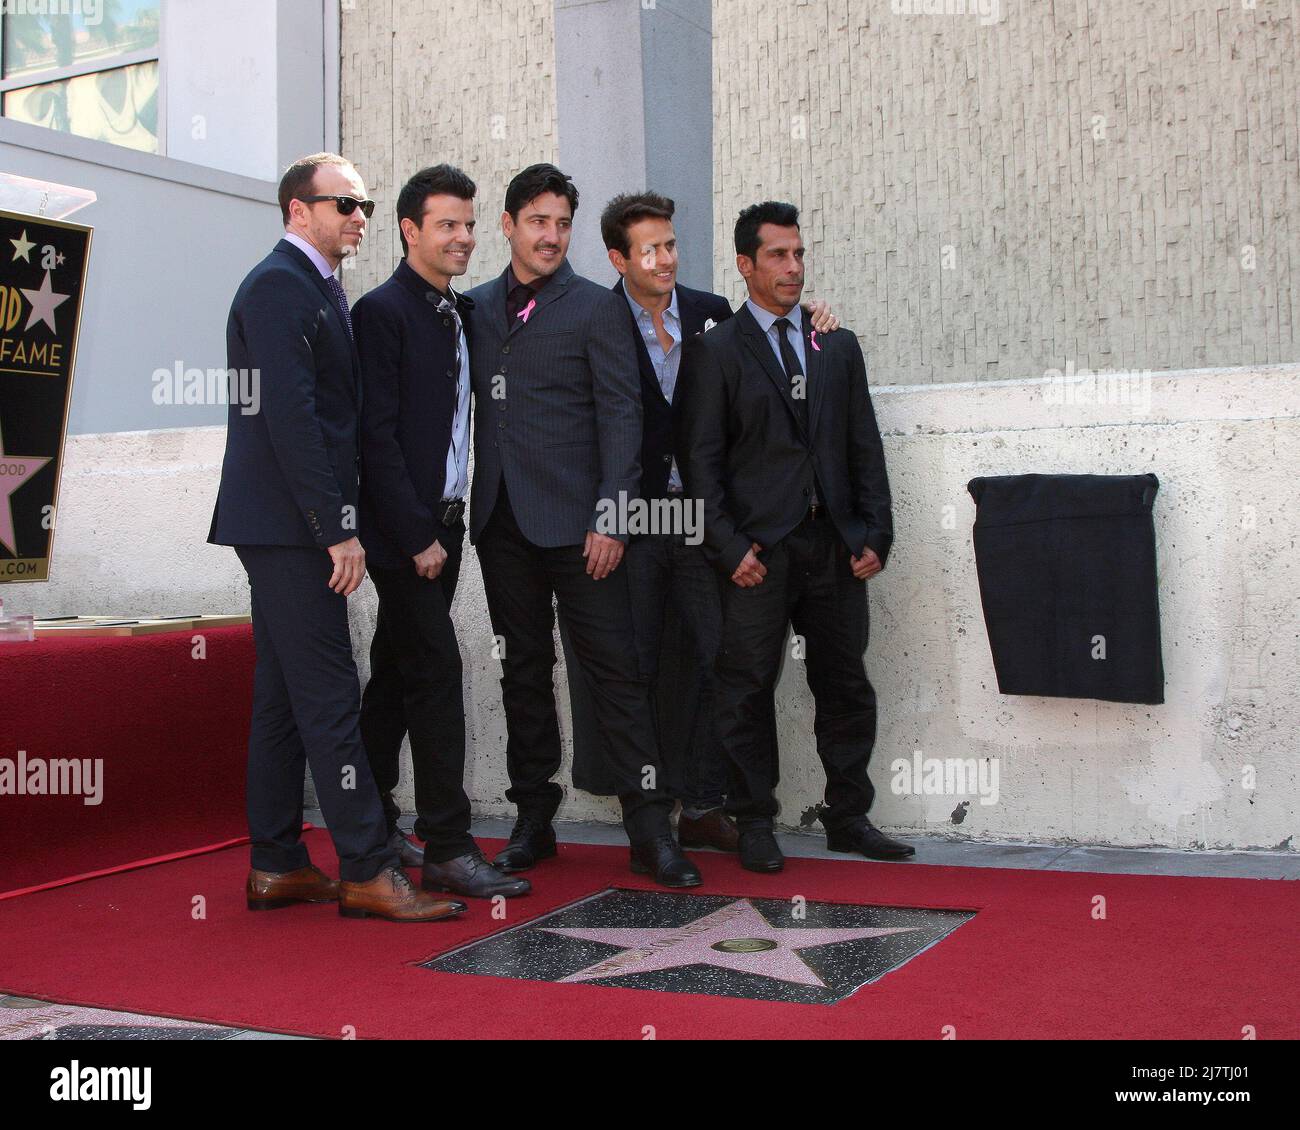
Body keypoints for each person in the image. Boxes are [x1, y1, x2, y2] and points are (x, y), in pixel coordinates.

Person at [208, 152, 466, 922]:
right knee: (330, 696)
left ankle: (278, 864)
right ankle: (367, 866)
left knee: (284, 699)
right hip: (292, 530)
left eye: (364, 204)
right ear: (297, 211)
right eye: (344, 203)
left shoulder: (314, 287)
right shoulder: (280, 288)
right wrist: (338, 530)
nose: (359, 216)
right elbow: (292, 423)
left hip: (288, 526)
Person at [583, 191, 840, 853]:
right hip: (632, 517)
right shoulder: (596, 320)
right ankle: (648, 814)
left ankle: (701, 804)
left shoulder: (709, 312)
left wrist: (814, 321)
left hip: (698, 518)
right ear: (617, 257)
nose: (666, 259)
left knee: (712, 661)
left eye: (671, 244)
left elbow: (749, 380)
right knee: (634, 666)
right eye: (650, 248)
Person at [465, 164, 699, 888]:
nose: (552, 235)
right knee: (524, 675)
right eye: (538, 221)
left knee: (617, 675)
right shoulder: (472, 310)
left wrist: (613, 518)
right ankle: (534, 820)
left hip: (586, 533)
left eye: (562, 223)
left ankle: (650, 827)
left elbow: (624, 418)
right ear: (508, 226)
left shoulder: (597, 307)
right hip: (503, 525)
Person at [676, 200, 913, 873]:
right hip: (758, 554)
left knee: (845, 683)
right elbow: (701, 464)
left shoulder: (834, 342)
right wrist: (727, 547)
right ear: (745, 264)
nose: (793, 267)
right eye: (777, 255)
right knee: (745, 686)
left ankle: (849, 816)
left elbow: (863, 444)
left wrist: (875, 533)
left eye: (800, 253)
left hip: (835, 547)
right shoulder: (717, 351)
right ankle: (754, 820)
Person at [354, 164, 528, 900]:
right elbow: (375, 438)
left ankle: (365, 819)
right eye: (446, 225)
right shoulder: (381, 313)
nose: (461, 236)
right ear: (409, 230)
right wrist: (418, 533)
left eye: (467, 223)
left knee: (396, 669)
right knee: (436, 671)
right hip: (408, 533)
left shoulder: (460, 312)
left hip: (449, 529)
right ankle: (449, 845)